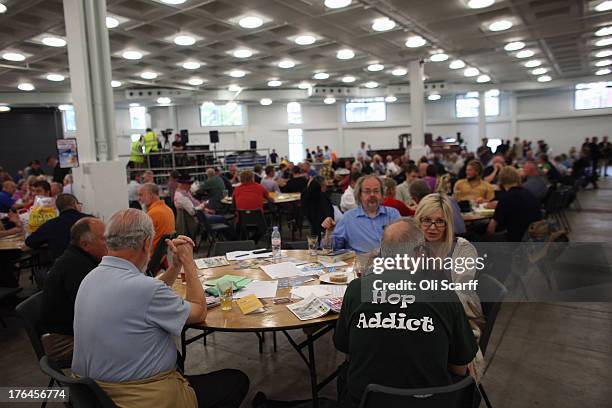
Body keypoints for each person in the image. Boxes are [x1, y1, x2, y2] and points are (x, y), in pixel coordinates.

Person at [72, 209, 249, 408]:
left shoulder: (91, 278)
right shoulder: (145, 289)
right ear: (147, 243)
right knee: (237, 381)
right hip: (139, 396)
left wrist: (174, 268)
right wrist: (189, 264)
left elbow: (146, 295)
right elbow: (199, 311)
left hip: (94, 396)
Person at [334, 218, 478, 407]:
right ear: (420, 253)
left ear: (382, 252)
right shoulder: (444, 292)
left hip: (365, 401)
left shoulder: (356, 289)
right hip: (433, 402)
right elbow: (460, 366)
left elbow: (346, 349)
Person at [40, 218, 107, 363]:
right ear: (85, 245)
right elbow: (95, 313)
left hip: (72, 331)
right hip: (62, 342)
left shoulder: (82, 259)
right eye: (104, 239)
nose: (109, 243)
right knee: (126, 341)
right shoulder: (76, 267)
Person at [322, 175, 400, 253]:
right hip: (361, 263)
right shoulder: (348, 218)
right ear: (359, 195)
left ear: (382, 194)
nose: (372, 195)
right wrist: (329, 232)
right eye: (367, 191)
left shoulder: (393, 214)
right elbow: (330, 248)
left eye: (376, 191)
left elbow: (405, 242)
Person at [25, 194, 90, 261]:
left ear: (57, 208)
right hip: (91, 265)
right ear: (74, 204)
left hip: (62, 267)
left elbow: (30, 241)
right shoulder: (90, 220)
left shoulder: (50, 224)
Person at [488, 167, 542, 242]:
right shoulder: (529, 193)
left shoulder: (506, 198)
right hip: (533, 237)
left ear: (501, 181)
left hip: (514, 240)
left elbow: (491, 228)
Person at [139, 183, 176, 253]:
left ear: (151, 195)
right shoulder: (168, 209)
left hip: (150, 256)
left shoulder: (153, 213)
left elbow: (142, 240)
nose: (139, 198)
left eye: (141, 195)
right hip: (163, 255)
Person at [302, 176, 334, 240]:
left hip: (316, 232)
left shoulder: (306, 196)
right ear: (321, 187)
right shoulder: (323, 198)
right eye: (325, 186)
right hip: (328, 231)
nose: (326, 188)